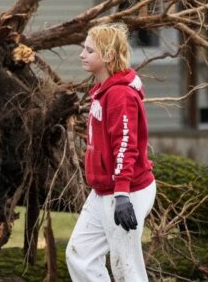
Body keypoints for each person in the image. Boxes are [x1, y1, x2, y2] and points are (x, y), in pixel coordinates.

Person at [66, 22, 156, 282]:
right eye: (84, 49)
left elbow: (125, 145)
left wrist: (122, 195)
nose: (82, 54)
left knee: (126, 267)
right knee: (79, 255)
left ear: (108, 56)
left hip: (127, 192)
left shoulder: (120, 95)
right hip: (103, 191)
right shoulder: (102, 91)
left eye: (89, 50)